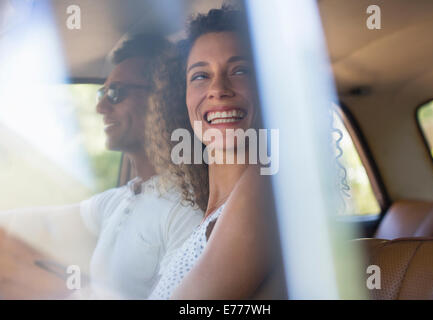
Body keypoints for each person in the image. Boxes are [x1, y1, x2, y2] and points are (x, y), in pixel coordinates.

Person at [0, 34, 203, 299]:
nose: (100, 106)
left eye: (115, 93)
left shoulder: (187, 209)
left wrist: (60, 292)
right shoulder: (121, 200)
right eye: (102, 92)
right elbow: (44, 225)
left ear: (161, 101)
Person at [146, 8, 287, 299]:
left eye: (240, 70)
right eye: (200, 76)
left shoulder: (267, 187)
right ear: (181, 97)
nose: (218, 89)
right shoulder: (209, 214)